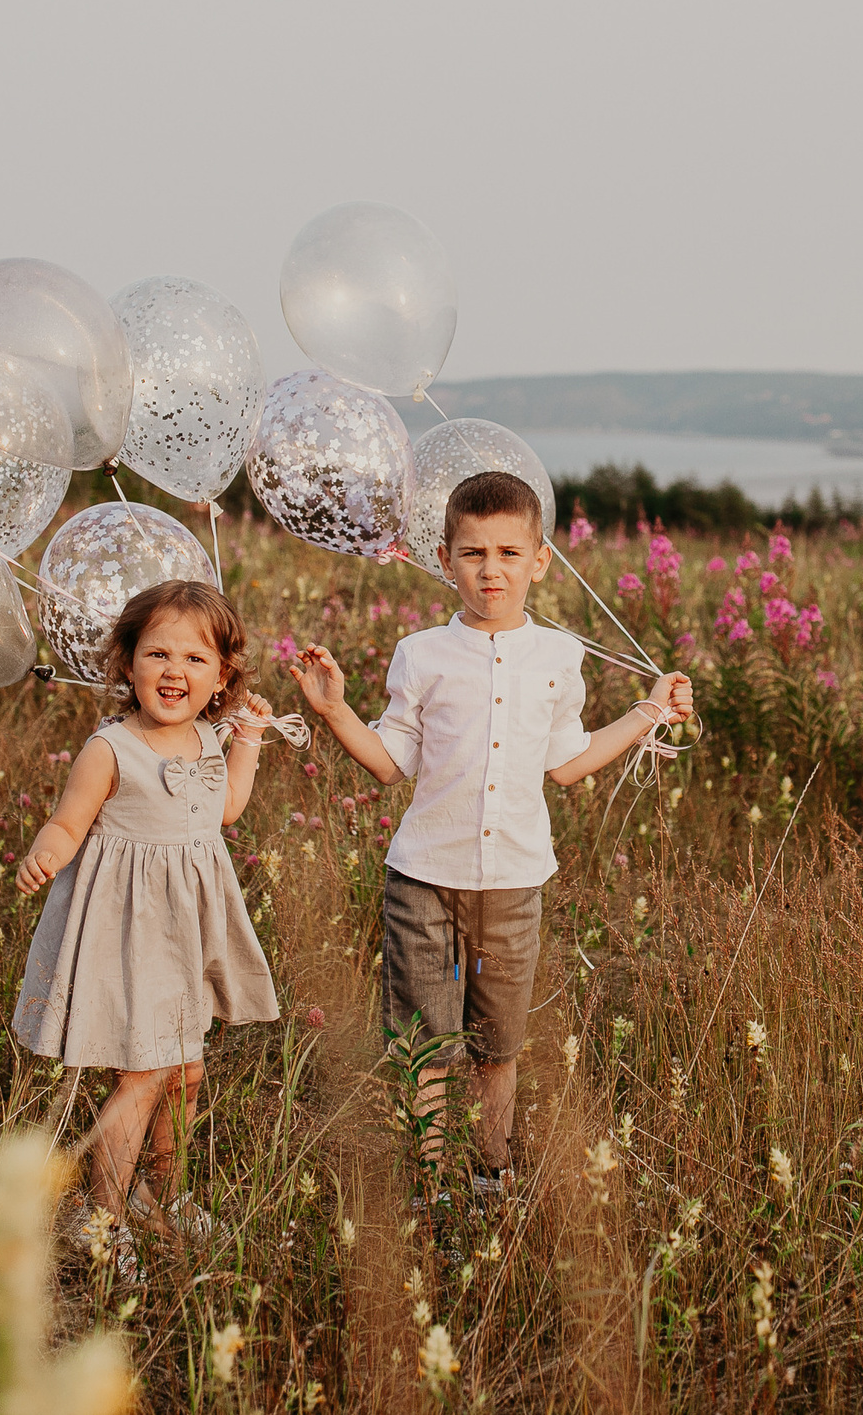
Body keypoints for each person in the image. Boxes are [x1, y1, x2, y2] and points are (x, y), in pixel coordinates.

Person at [293, 470, 692, 1194]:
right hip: (422, 878)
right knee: (427, 1047)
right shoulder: (421, 654)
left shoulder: (558, 658)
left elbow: (568, 764)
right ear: (444, 560)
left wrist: (648, 713)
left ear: (541, 560)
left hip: (513, 882)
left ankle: (491, 1170)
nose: (491, 570)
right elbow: (391, 763)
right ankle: (432, 1179)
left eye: (510, 553)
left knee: (498, 1044)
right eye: (474, 554)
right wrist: (333, 712)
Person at [12, 577, 281, 1273]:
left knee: (186, 1072)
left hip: (184, 934)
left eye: (196, 659)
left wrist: (247, 738)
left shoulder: (206, 738)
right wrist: (46, 854)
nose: (175, 671)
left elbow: (226, 809)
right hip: (129, 935)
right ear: (126, 663)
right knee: (143, 1073)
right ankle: (103, 1214)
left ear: (223, 675)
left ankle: (163, 1194)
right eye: (158, 654)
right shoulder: (112, 748)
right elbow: (69, 820)